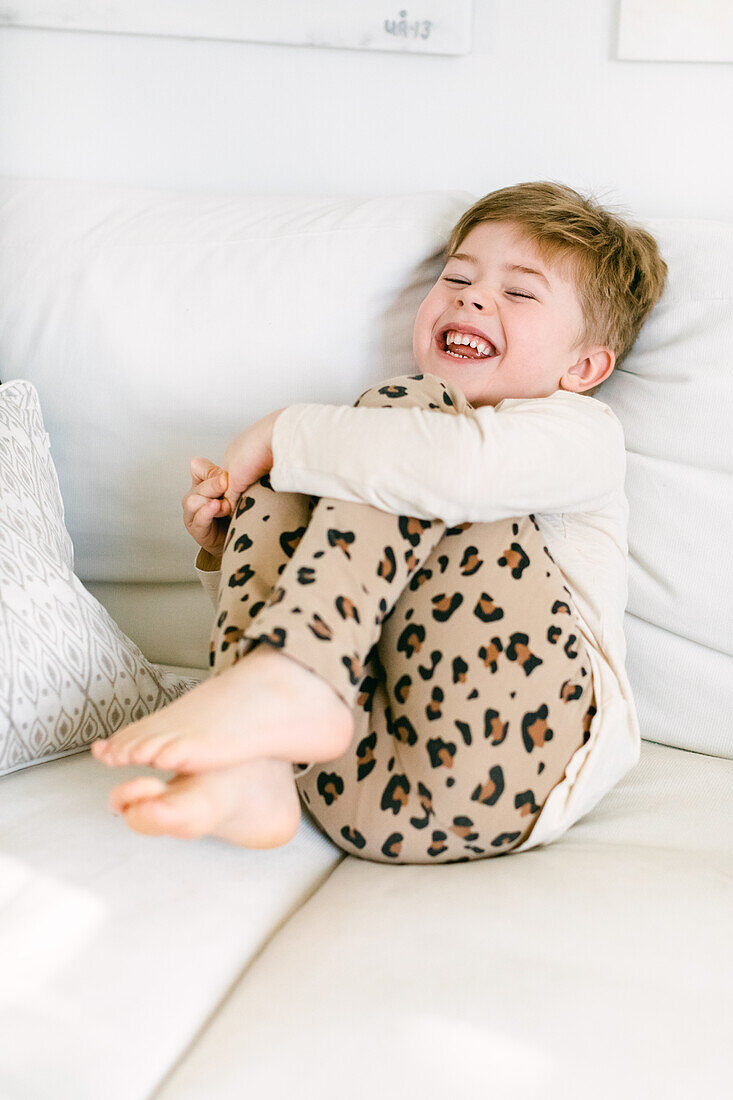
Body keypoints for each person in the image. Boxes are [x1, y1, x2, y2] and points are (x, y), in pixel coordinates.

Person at [90, 181, 667, 864]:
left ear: (583, 367)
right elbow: (335, 602)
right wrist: (232, 542)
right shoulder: (363, 460)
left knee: (385, 428)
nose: (471, 297)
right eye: (456, 277)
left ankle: (287, 686)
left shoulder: (579, 433)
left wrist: (284, 430)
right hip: (356, 787)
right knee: (305, 473)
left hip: (520, 755)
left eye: (518, 293)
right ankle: (255, 767)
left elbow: (453, 469)